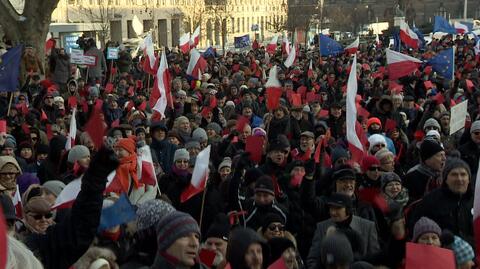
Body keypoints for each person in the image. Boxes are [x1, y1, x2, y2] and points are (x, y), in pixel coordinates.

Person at [408, 158, 474, 246]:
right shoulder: (430, 201)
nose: (459, 179)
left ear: (469, 179)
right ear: (446, 179)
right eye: (454, 174)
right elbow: (415, 230)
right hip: (441, 254)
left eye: (463, 174)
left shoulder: (475, 200)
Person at [307, 193, 379, 268]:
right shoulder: (322, 227)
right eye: (331, 208)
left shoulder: (368, 227)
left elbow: (375, 259)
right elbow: (312, 260)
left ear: (348, 210)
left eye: (337, 208)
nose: (333, 212)